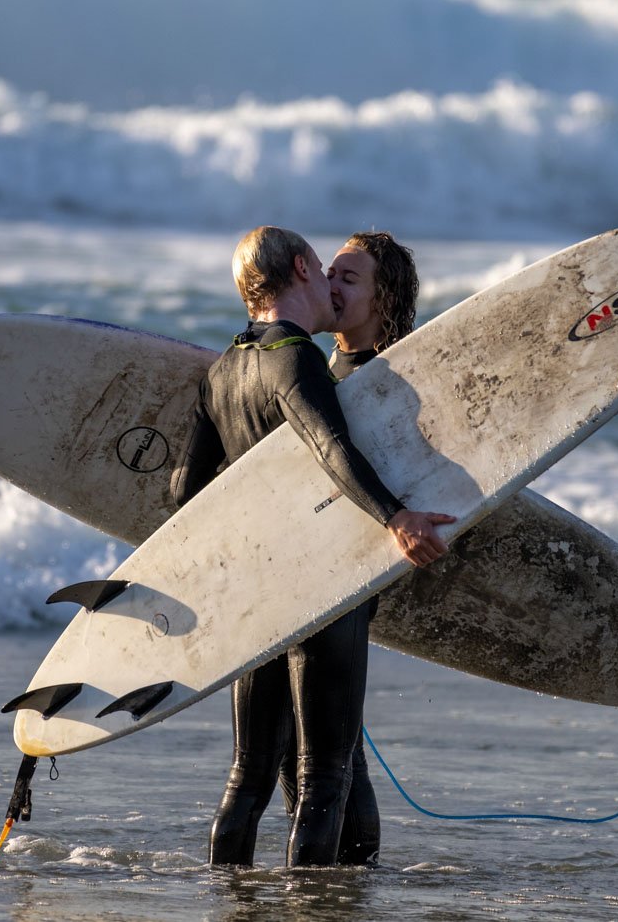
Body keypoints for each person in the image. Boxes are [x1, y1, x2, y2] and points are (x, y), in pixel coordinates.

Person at [169, 226, 453, 868]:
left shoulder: (221, 371)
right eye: (327, 271)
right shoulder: (297, 361)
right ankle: (317, 907)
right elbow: (332, 450)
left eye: (348, 277)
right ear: (299, 268)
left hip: (257, 591)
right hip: (323, 587)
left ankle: (230, 900)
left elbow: (186, 490)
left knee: (251, 774)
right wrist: (396, 518)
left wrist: (211, 573)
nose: (329, 282)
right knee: (325, 774)